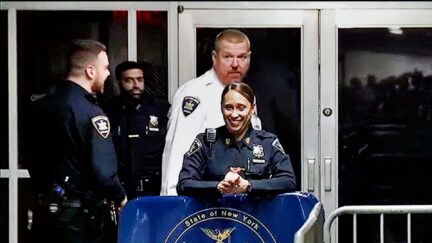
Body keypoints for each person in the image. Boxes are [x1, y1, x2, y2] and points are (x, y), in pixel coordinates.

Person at [27, 39, 127, 243]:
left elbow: (31, 157)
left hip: (43, 215)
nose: (108, 74)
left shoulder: (42, 105)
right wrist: (120, 196)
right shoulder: (91, 112)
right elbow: (103, 171)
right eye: (106, 68)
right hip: (79, 220)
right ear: (91, 71)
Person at [161, 29, 261, 195]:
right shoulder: (195, 94)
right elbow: (176, 155)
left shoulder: (246, 94)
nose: (236, 64)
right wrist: (173, 208)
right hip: (203, 200)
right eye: (228, 57)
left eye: (242, 57)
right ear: (215, 57)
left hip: (240, 201)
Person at [177, 82, 296, 197]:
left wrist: (249, 186)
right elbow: (184, 183)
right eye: (228, 108)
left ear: (252, 108)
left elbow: (288, 181)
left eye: (241, 108)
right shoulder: (206, 142)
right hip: (214, 215)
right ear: (221, 108)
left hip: (256, 216)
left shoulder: (267, 143)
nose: (234, 115)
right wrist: (218, 186)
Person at [103, 61, 170, 199]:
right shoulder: (108, 111)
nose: (136, 85)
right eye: (129, 80)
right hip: (121, 187)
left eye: (140, 79)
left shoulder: (160, 109)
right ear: (119, 82)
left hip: (154, 187)